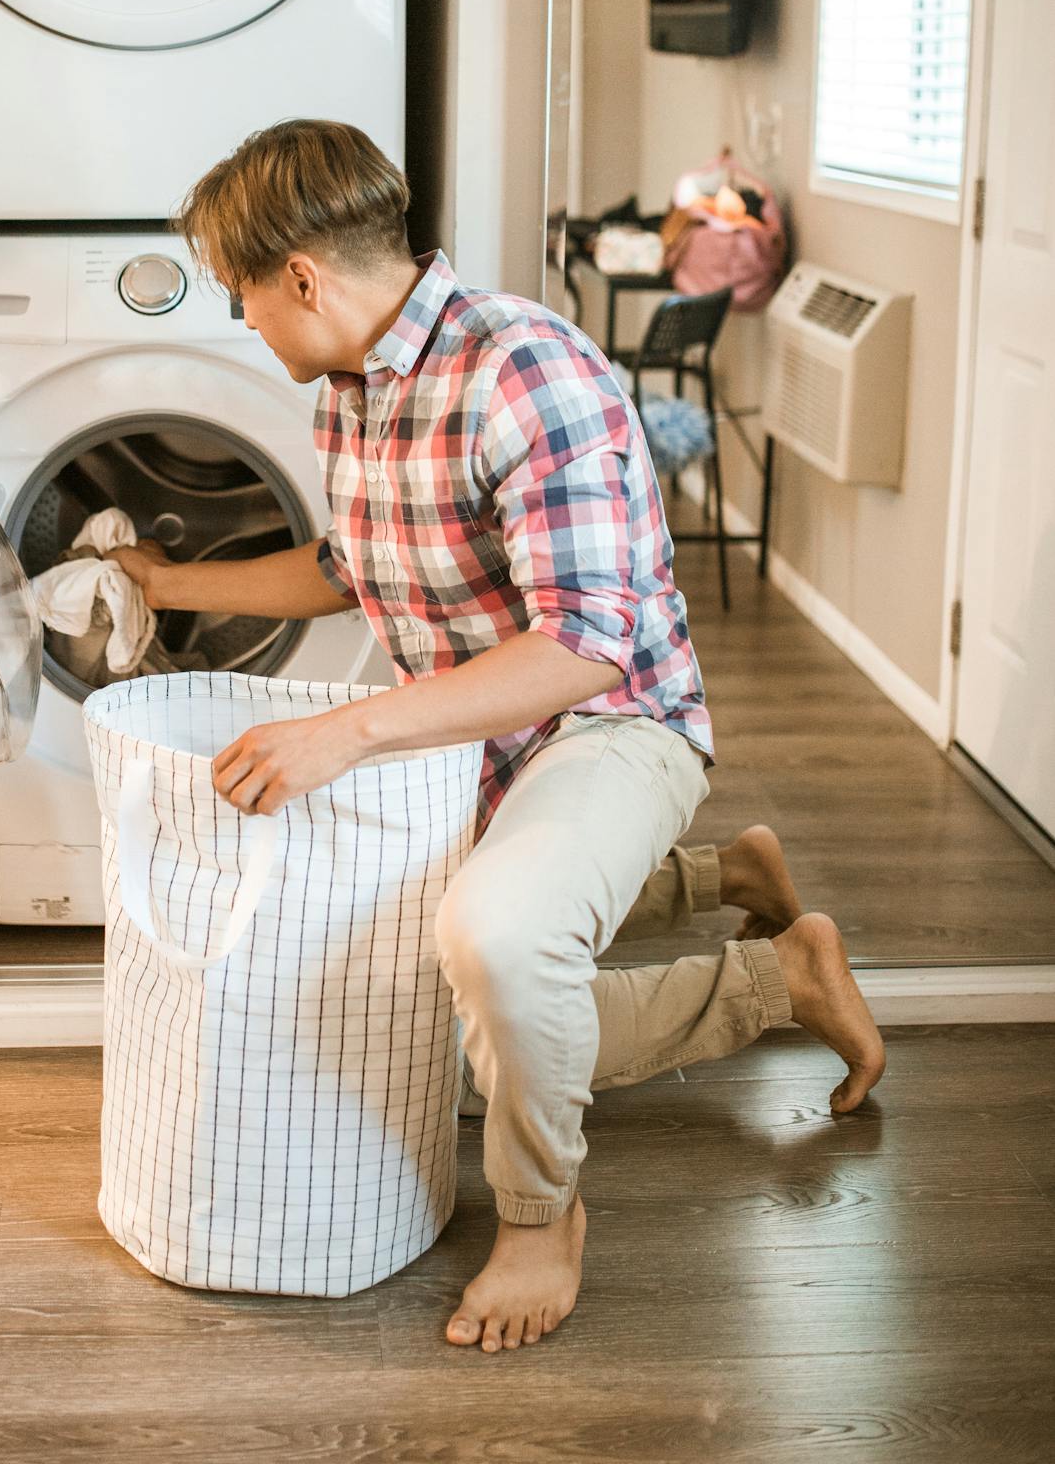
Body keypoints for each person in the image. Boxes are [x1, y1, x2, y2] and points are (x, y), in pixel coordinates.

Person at [112, 118, 885, 1355]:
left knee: (495, 951)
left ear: (303, 276)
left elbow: (584, 644)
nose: (243, 320)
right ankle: (727, 881)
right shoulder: (355, 389)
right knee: (428, 1017)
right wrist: (172, 584)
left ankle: (566, 1190)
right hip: (483, 740)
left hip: (608, 723)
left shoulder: (525, 368)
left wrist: (353, 732)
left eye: (241, 293)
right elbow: (347, 564)